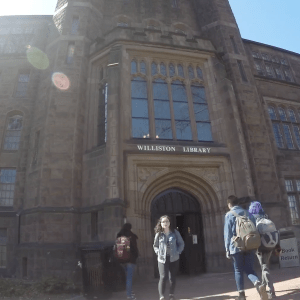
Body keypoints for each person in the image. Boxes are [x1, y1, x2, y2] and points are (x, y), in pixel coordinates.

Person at [224, 195, 268, 300]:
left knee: (238, 270)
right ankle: (258, 283)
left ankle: (241, 295)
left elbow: (227, 234)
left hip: (236, 246)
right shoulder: (248, 213)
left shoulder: (229, 214)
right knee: (250, 269)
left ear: (229, 204)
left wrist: (227, 249)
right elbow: (254, 229)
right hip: (249, 244)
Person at [249, 201, 279, 299]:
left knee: (265, 267)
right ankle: (263, 286)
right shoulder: (266, 217)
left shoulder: (256, 221)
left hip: (261, 248)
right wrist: (278, 248)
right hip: (271, 246)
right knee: (264, 266)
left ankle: (271, 291)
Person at [153, 215, 185, 300]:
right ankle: (161, 296)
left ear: (169, 223)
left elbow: (181, 243)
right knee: (163, 277)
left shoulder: (174, 232)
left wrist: (178, 252)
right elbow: (155, 246)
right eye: (163, 222)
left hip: (173, 258)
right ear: (161, 223)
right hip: (162, 259)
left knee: (172, 277)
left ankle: (171, 294)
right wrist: (158, 252)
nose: (165, 223)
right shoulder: (158, 234)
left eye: (167, 221)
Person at [116, 223, 139, 300]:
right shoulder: (131, 235)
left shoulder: (119, 235)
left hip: (121, 260)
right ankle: (129, 295)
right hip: (130, 260)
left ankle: (130, 292)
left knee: (126, 277)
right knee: (129, 278)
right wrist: (136, 255)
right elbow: (134, 248)